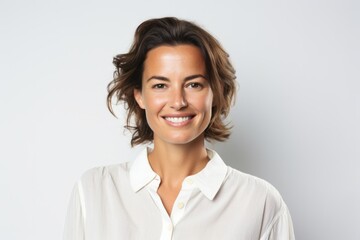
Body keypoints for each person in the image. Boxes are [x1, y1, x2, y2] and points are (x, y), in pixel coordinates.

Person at [63, 17, 295, 240]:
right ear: (139, 96)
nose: (178, 101)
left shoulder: (260, 202)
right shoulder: (94, 191)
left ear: (215, 94)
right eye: (160, 85)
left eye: (194, 84)